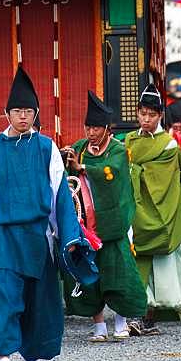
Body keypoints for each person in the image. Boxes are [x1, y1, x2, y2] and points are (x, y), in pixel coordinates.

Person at [0, 66, 97, 361]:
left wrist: (65, 236)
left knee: (40, 300)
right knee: (4, 299)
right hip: (5, 235)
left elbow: (59, 194)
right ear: (7, 113)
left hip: (38, 236)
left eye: (29, 111)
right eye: (18, 111)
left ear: (35, 113)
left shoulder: (47, 148)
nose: (23, 116)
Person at [63, 91, 147, 342]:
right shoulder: (80, 147)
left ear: (107, 129)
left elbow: (113, 172)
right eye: (88, 127)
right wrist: (65, 158)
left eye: (96, 128)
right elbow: (69, 172)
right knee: (91, 275)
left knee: (118, 274)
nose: (91, 133)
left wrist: (84, 168)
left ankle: (121, 322)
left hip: (112, 224)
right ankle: (99, 326)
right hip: (87, 226)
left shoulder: (119, 150)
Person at [125, 83, 181, 334]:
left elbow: (164, 176)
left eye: (151, 115)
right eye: (142, 114)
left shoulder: (168, 144)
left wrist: (137, 171)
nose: (146, 119)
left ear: (159, 116)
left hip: (160, 209)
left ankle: (150, 312)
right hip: (134, 209)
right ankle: (137, 311)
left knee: (160, 263)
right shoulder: (128, 140)